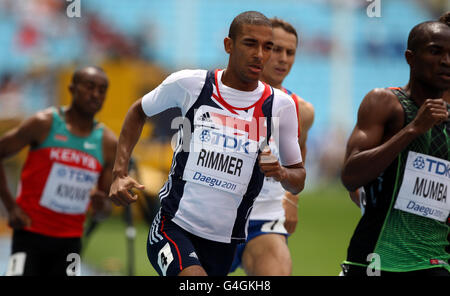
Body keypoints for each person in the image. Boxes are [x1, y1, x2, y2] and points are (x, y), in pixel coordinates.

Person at [108, 11, 306, 276]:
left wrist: (280, 173)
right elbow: (138, 111)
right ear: (228, 45)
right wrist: (119, 173)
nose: (260, 54)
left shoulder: (281, 106)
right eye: (250, 43)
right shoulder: (191, 84)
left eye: (266, 47)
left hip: (225, 241)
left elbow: (298, 176)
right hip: (174, 225)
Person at [340, 21, 450, 276]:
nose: (446, 61)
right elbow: (350, 176)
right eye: (435, 51)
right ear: (410, 58)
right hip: (375, 259)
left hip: (433, 260)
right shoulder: (385, 102)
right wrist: (412, 130)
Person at [0, 66, 117, 276]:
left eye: (102, 90)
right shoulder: (44, 123)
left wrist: (102, 206)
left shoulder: (107, 142)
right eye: (89, 87)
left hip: (70, 242)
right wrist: (10, 207)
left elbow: (103, 208)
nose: (96, 94)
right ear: (72, 89)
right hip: (29, 235)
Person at [229, 18, 314, 276]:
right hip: (216, 214)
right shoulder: (224, 97)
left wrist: (292, 200)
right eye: (276, 49)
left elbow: (298, 155)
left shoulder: (301, 109)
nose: (283, 59)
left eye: (290, 52)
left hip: (265, 217)